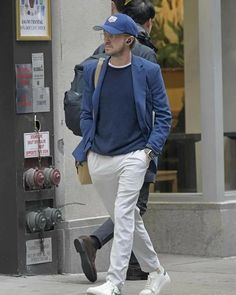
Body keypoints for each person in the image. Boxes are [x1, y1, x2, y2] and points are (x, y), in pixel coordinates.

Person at [72, 12, 172, 295]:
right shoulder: (96, 70)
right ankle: (157, 272)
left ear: (128, 40)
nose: (106, 39)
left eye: (112, 36)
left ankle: (114, 282)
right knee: (126, 218)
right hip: (100, 156)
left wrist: (148, 152)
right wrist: (89, 145)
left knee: (124, 213)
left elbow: (163, 116)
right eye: (104, 34)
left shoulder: (147, 71)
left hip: (134, 156)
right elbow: (86, 112)